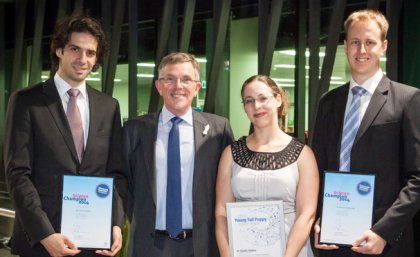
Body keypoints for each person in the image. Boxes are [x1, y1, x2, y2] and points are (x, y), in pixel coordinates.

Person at [4, 12, 126, 257]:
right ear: (59, 50)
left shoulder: (108, 106)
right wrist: (45, 235)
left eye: (90, 53)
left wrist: (115, 222)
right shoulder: (27, 101)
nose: (83, 59)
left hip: (95, 242)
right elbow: (18, 174)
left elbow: (116, 172)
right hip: (41, 243)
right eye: (75, 49)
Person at [312, 9, 420, 257]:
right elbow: (318, 170)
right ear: (345, 46)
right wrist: (319, 220)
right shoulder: (328, 102)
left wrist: (384, 232)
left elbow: (417, 178)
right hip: (332, 240)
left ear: (383, 46)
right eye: (355, 42)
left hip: (383, 243)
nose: (362, 50)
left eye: (369, 42)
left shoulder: (407, 99)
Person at [123, 52, 234, 257]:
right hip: (149, 246)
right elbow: (123, 183)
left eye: (186, 79)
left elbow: (230, 186)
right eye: (170, 79)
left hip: (202, 246)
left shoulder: (219, 129)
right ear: (159, 86)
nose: (178, 86)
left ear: (197, 87)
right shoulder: (134, 129)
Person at [215, 75, 319, 257]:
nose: (257, 106)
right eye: (249, 101)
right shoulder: (230, 154)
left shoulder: (304, 154)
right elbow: (221, 213)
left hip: (292, 252)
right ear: (245, 108)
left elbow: (306, 214)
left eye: (263, 98)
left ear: (278, 99)